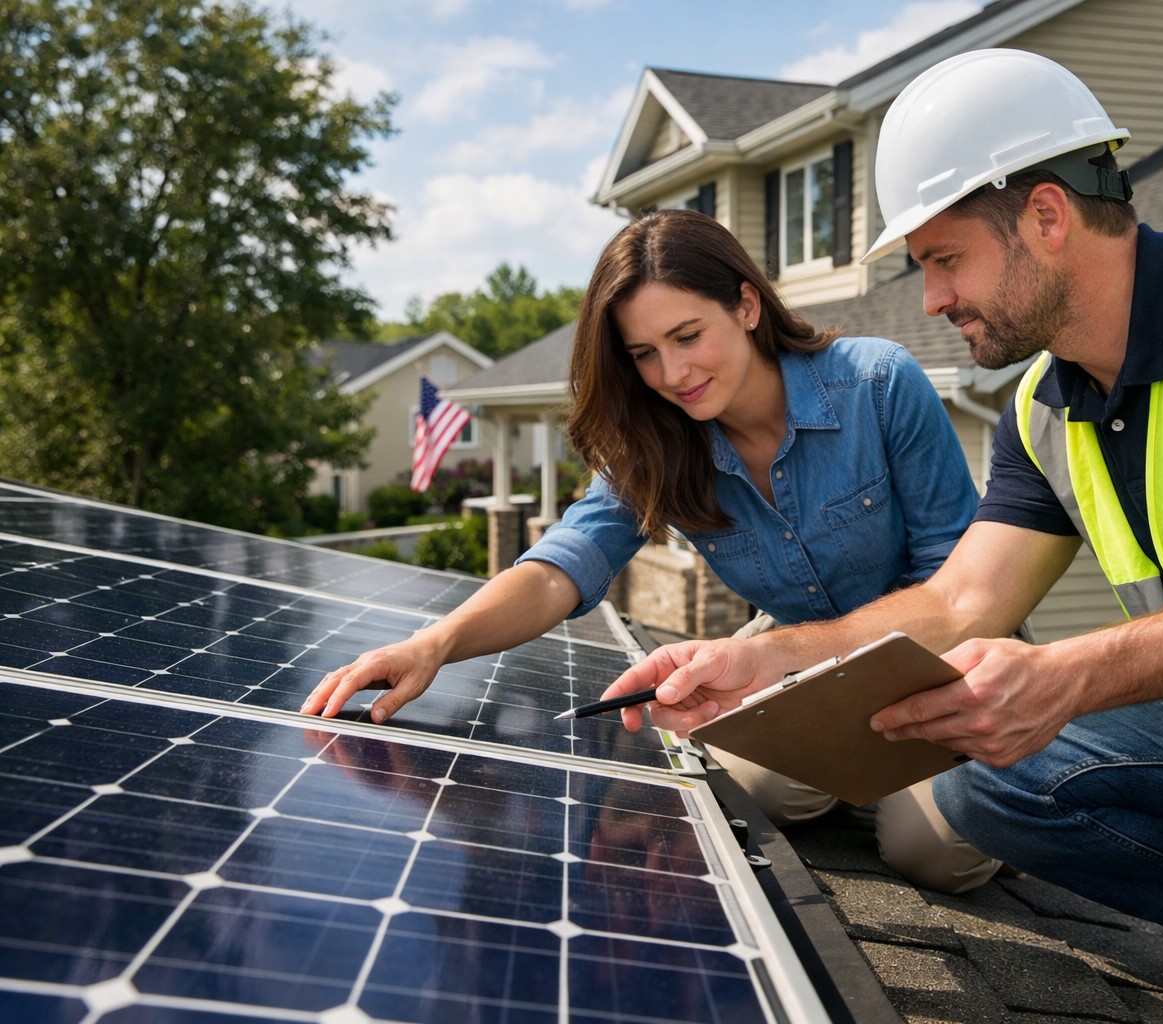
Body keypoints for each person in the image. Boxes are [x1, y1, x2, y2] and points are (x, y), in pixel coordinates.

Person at [601, 49, 1163, 1024]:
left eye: (944, 258)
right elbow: (961, 602)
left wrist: (1074, 674)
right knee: (974, 775)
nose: (931, 300)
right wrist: (764, 662)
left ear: (1047, 217)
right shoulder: (1046, 407)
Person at [299, 209, 999, 893]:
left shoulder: (879, 385)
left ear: (747, 305)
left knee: (930, 855)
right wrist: (436, 644)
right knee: (752, 799)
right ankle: (854, 767)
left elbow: (955, 584)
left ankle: (945, 773)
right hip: (793, 662)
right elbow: (560, 568)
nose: (672, 373)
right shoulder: (660, 444)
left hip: (932, 659)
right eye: (644, 355)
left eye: (688, 336)